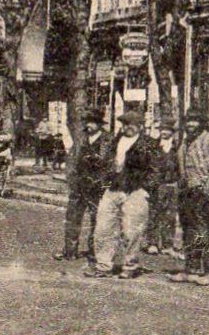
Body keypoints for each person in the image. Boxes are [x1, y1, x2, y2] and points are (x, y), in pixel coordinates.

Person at [87, 110, 155, 279]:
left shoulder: (148, 144)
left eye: (131, 124)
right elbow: (105, 163)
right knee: (103, 227)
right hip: (113, 188)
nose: (127, 127)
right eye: (124, 124)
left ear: (140, 126)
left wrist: (146, 189)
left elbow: (156, 169)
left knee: (132, 231)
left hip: (135, 190)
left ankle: (130, 266)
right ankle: (103, 265)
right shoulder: (114, 141)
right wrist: (105, 180)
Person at [167, 111, 209, 286]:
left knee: (204, 231)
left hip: (201, 191)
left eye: (194, 121)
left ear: (201, 122)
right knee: (188, 230)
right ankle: (191, 268)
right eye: (188, 120)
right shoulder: (186, 140)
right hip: (186, 191)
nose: (191, 124)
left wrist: (208, 192)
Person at [55, 108, 110, 263]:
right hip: (79, 185)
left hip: (97, 187)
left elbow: (110, 164)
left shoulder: (108, 140)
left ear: (99, 124)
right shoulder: (81, 138)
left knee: (97, 219)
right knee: (72, 218)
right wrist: (71, 178)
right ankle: (70, 251)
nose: (88, 125)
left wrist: (104, 181)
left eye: (92, 122)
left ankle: (94, 252)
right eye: (87, 122)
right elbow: (72, 159)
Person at [144, 126, 179, 256]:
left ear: (172, 132)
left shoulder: (177, 146)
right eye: (162, 129)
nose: (164, 132)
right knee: (154, 214)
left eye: (167, 129)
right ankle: (152, 243)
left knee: (170, 216)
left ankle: (167, 245)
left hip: (172, 184)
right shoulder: (153, 146)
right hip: (156, 185)